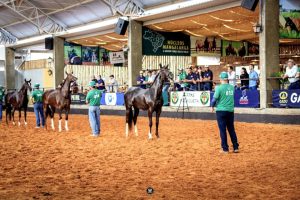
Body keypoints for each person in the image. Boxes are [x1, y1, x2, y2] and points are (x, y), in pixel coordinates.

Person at [211, 72, 239, 153]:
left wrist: (212, 106)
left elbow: (214, 99)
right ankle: (235, 147)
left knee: (222, 130)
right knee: (231, 129)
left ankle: (225, 148)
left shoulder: (218, 88)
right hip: (230, 110)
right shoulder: (232, 87)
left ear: (221, 79)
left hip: (221, 110)